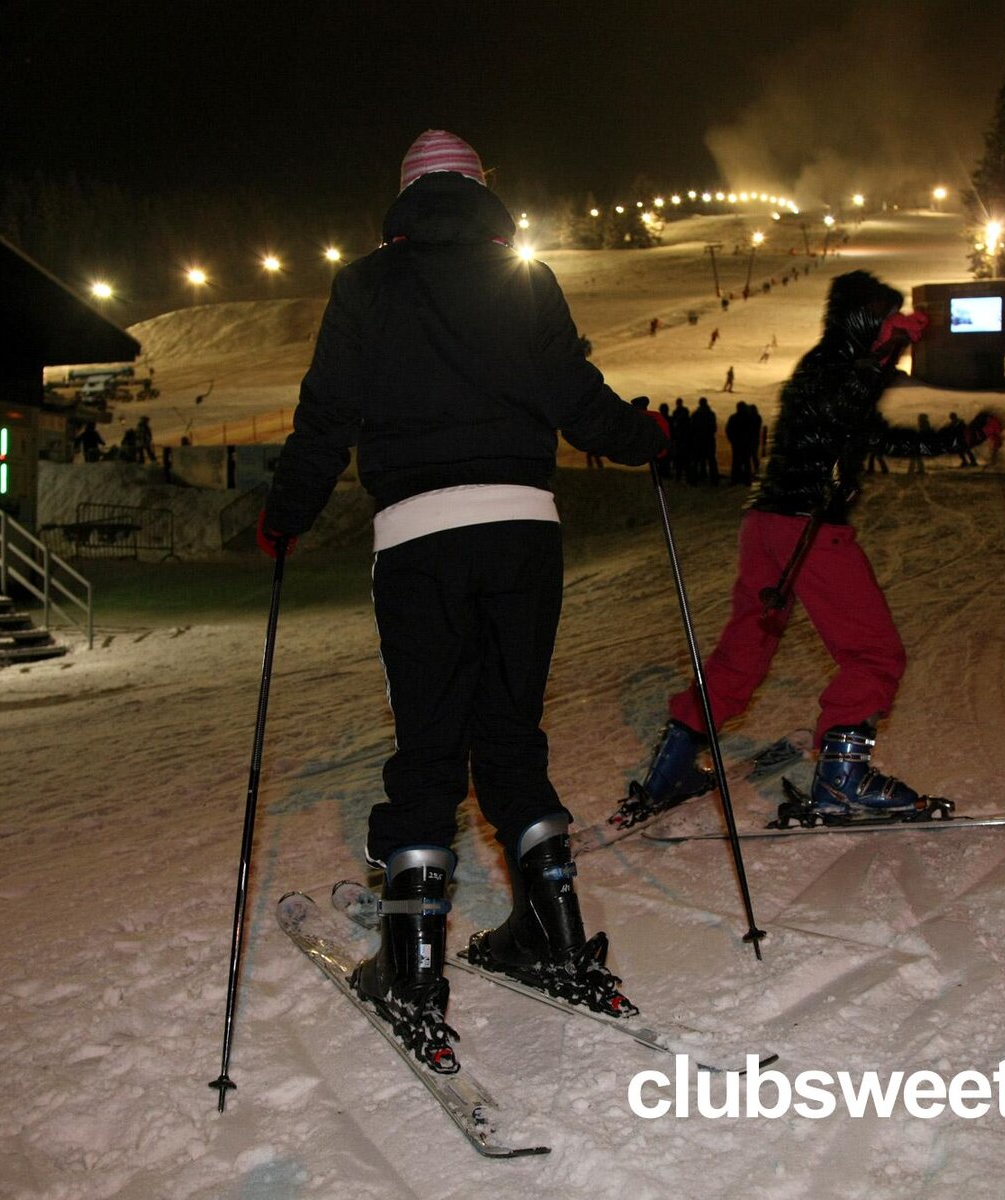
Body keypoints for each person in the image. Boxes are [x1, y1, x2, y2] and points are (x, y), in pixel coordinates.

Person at [259, 130, 664, 1068]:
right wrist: (644, 438)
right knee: (510, 732)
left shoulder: (366, 286)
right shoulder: (525, 278)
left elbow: (325, 414)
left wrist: (285, 515)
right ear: (483, 193)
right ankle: (554, 934)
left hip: (420, 539)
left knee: (431, 744)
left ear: (406, 199)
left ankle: (411, 970)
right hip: (524, 532)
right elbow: (576, 395)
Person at [629, 271, 930, 819]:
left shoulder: (834, 367)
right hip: (807, 529)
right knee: (875, 653)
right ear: (865, 319)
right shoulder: (834, 368)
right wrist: (884, 356)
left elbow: (871, 434)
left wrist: (962, 436)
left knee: (745, 649)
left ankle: (672, 764)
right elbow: (841, 406)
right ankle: (842, 779)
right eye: (885, 317)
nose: (893, 326)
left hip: (766, 525)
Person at [691, 397, 721, 485]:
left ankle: (696, 478)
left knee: (698, 460)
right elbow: (714, 428)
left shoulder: (696, 414)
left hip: (698, 440)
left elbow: (692, 428)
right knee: (711, 460)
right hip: (709, 440)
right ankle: (713, 479)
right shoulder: (711, 414)